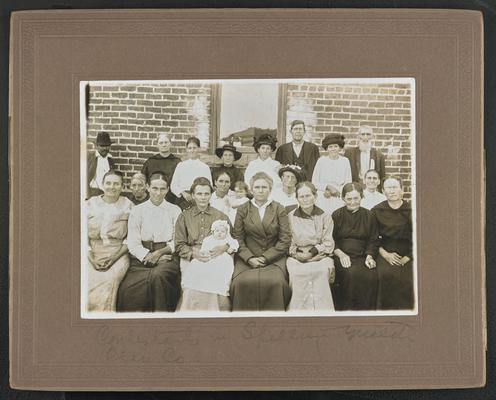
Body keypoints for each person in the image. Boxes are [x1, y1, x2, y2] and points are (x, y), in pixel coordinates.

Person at [116, 171, 182, 312]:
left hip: (167, 257)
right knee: (127, 289)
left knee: (158, 277)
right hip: (141, 259)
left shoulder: (175, 210)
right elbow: (133, 243)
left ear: (168, 189)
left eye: (162, 189)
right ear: (147, 187)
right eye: (155, 188)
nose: (158, 193)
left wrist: (159, 253)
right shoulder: (137, 211)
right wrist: (148, 256)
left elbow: (178, 240)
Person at [231, 172, 292, 311]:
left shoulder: (278, 208)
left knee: (276, 283)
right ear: (251, 189)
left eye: (264, 187)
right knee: (240, 283)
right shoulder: (243, 209)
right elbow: (237, 238)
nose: (260, 190)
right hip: (247, 258)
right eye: (257, 187)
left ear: (270, 190)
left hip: (273, 258)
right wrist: (249, 258)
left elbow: (285, 239)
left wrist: (265, 258)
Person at [175, 177, 232, 311]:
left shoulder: (221, 217)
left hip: (217, 256)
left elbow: (231, 240)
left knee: (215, 283)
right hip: (192, 255)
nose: (203, 197)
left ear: (211, 195)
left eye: (206, 194)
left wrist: (222, 248)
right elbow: (179, 244)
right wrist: (193, 253)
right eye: (199, 194)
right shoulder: (184, 216)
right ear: (193, 195)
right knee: (191, 285)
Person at [86, 170, 133, 312]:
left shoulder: (128, 205)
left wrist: (113, 258)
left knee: (108, 281)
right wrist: (91, 258)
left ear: (122, 186)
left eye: (116, 184)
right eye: (108, 183)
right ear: (102, 184)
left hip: (118, 253)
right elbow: (80, 235)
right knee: (87, 281)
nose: (112, 187)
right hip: (91, 252)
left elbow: (131, 238)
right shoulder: (89, 204)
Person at [286, 182, 335, 311]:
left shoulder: (325, 216)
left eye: (308, 195)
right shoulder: (290, 217)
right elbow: (287, 241)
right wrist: (298, 255)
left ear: (315, 196)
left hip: (320, 255)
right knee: (296, 274)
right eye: (301, 197)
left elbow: (328, 242)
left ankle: (322, 313)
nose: (305, 199)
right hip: (297, 256)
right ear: (297, 198)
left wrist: (311, 254)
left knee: (321, 271)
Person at [332, 183, 380, 310]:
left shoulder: (369, 215)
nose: (352, 202)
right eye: (349, 199)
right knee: (351, 275)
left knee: (371, 275)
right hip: (342, 255)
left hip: (363, 256)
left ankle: (368, 314)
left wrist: (370, 257)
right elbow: (331, 240)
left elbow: (373, 239)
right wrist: (341, 254)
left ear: (361, 197)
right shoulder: (336, 215)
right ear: (343, 198)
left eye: (356, 198)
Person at [372, 176, 414, 310]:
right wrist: (386, 255)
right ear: (383, 191)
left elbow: (420, 237)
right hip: (385, 252)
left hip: (409, 253)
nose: (392, 191)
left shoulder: (412, 210)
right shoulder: (376, 210)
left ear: (402, 190)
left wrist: (408, 257)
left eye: (395, 187)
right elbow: (373, 238)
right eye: (388, 188)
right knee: (385, 275)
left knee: (410, 277)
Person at [179, 220, 239, 311]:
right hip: (208, 258)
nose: (220, 234)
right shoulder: (208, 239)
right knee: (198, 269)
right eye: (217, 231)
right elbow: (204, 249)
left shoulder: (228, 240)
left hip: (222, 260)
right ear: (213, 231)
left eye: (223, 232)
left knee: (218, 272)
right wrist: (204, 253)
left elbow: (235, 245)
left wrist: (229, 248)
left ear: (227, 233)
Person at [312, 133, 352, 214]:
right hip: (323, 195)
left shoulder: (345, 161)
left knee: (337, 217)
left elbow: (348, 182)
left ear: (340, 147)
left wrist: (337, 190)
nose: (333, 149)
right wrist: (327, 187)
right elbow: (314, 182)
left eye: (335, 146)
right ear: (327, 148)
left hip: (338, 196)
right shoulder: (321, 161)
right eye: (330, 147)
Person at [170, 136, 212, 210]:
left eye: (194, 148)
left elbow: (209, 186)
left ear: (199, 149)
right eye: (190, 148)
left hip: (199, 199)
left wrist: (197, 196)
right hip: (183, 199)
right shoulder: (181, 165)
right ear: (186, 149)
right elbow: (173, 185)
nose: (192, 150)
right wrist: (183, 193)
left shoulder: (204, 167)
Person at [141, 133, 181, 204]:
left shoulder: (177, 162)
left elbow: (181, 183)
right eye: (161, 143)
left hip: (172, 199)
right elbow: (143, 180)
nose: (164, 145)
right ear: (157, 145)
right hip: (153, 197)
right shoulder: (150, 162)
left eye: (166, 142)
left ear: (170, 144)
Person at [87, 131, 115, 198]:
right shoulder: (89, 158)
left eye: (107, 146)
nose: (105, 148)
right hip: (93, 193)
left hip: (107, 194)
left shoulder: (110, 160)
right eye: (102, 146)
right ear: (96, 146)